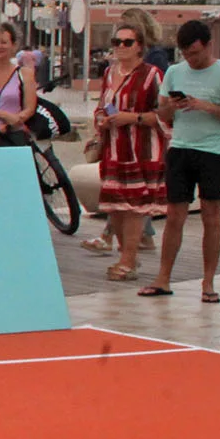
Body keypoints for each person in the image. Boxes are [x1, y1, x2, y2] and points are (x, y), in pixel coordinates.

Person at [143, 19, 220, 304]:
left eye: (197, 54)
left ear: (208, 45)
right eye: (187, 54)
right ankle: (163, 278)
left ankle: (209, 282)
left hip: (214, 152)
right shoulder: (175, 72)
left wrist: (207, 106)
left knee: (211, 216)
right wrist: (171, 107)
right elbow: (161, 114)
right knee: (175, 215)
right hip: (180, 149)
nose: (192, 59)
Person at [90, 23, 166, 282]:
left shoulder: (151, 75)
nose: (120, 47)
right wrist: (102, 119)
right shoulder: (110, 74)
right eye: (116, 42)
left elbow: (164, 114)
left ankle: (128, 259)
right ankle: (125, 255)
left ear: (140, 46)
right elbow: (102, 105)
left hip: (141, 149)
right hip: (114, 148)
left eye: (127, 42)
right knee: (116, 206)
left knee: (134, 207)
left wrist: (131, 118)